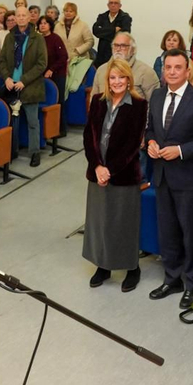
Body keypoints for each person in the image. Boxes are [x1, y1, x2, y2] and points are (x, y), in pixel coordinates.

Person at [145, 51, 193, 307]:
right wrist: (150, 141)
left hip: (187, 178)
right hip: (161, 175)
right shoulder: (157, 95)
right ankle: (172, 279)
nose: (172, 72)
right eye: (168, 67)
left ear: (187, 70)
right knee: (168, 231)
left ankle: (192, 285)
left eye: (177, 68)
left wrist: (181, 151)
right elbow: (151, 127)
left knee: (189, 232)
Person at [81, 59, 150, 291]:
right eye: (112, 78)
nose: (117, 82)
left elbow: (132, 145)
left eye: (121, 77)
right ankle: (103, 266)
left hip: (124, 174)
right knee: (100, 222)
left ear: (128, 79)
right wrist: (98, 166)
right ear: (107, 80)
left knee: (123, 223)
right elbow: (88, 137)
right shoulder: (98, 103)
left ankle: (132, 268)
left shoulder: (139, 105)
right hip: (97, 172)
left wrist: (109, 170)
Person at [0, 6, 49, 168]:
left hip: (30, 85)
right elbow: (2, 61)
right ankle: (12, 151)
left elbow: (41, 64)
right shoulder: (9, 37)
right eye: (18, 15)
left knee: (33, 121)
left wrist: (24, 80)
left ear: (29, 18)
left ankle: (34, 152)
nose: (20, 18)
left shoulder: (37, 38)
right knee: (12, 121)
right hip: (11, 85)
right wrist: (6, 77)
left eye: (23, 15)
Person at [93, 32, 162, 101]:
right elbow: (93, 101)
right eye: (116, 45)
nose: (118, 49)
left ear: (133, 50)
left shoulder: (146, 72)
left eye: (123, 46)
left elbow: (155, 105)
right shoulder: (101, 70)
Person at [38, 15, 70, 109]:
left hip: (57, 74)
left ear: (50, 25)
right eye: (40, 23)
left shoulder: (55, 38)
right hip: (42, 74)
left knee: (59, 100)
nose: (42, 25)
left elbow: (63, 57)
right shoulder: (38, 39)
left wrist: (51, 69)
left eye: (45, 23)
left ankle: (61, 123)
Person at [92, 0, 133, 66]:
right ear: (108, 5)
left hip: (118, 54)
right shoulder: (102, 16)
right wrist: (114, 30)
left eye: (115, 3)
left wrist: (104, 33)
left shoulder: (125, 18)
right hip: (102, 54)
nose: (113, 5)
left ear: (120, 6)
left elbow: (125, 34)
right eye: (111, 3)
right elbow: (96, 31)